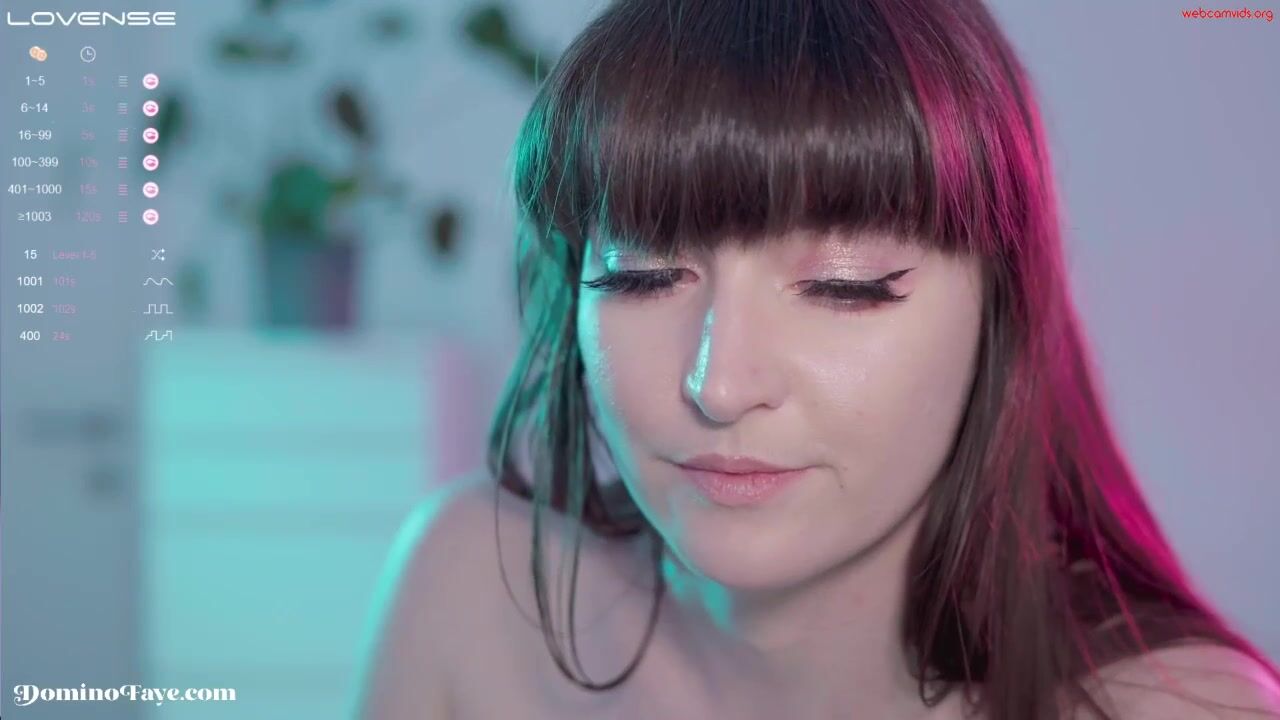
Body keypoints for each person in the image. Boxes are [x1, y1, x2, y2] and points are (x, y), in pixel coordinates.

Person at [350, 0, 1280, 718]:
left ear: (1000, 310)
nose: (720, 385)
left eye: (843, 287)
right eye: (641, 276)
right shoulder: (472, 592)